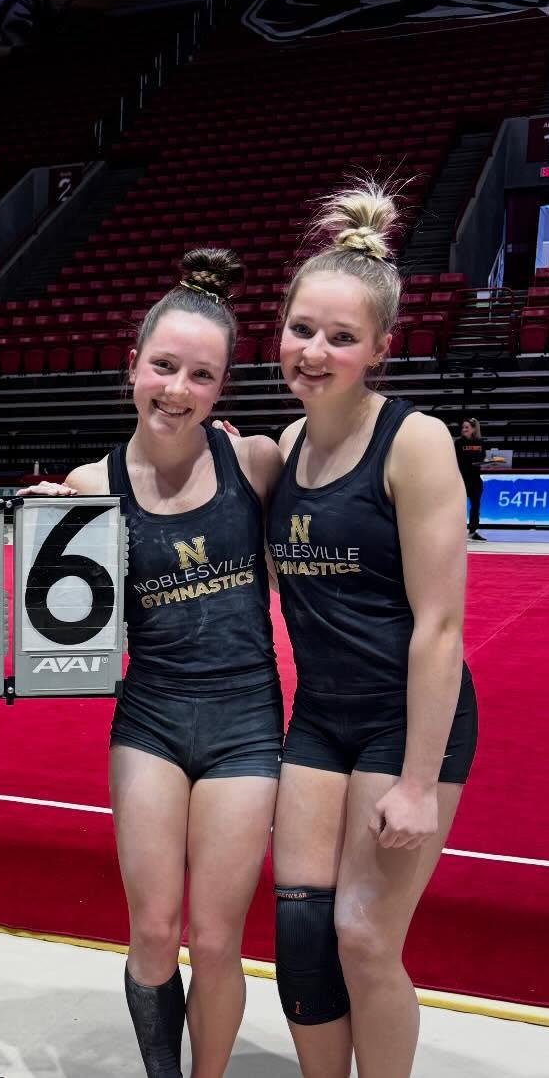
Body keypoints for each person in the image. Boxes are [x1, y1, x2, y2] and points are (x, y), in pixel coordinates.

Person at [24, 251, 285, 1078]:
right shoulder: (89, 483)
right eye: (164, 366)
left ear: (221, 387)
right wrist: (33, 536)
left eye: (200, 375)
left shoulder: (254, 462)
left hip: (246, 725)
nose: (177, 389)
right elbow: (59, 626)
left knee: (213, 938)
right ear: (131, 365)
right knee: (151, 930)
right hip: (150, 721)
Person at [265, 181, 477, 1078]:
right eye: (301, 329)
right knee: (301, 932)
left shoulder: (414, 441)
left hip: (408, 719)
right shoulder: (286, 447)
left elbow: (441, 625)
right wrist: (72, 488)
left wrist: (419, 782)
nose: (314, 352)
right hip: (320, 718)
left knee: (360, 933)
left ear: (380, 348)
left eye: (340, 337)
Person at [454, 418, 487, 541]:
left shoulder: (480, 442)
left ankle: (473, 532)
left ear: (473, 429)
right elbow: (456, 459)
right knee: (459, 507)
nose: (464, 430)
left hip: (475, 479)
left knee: (475, 506)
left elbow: (483, 458)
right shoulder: (458, 443)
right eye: (463, 427)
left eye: (467, 427)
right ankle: (456, 532)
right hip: (462, 479)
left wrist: (487, 462)